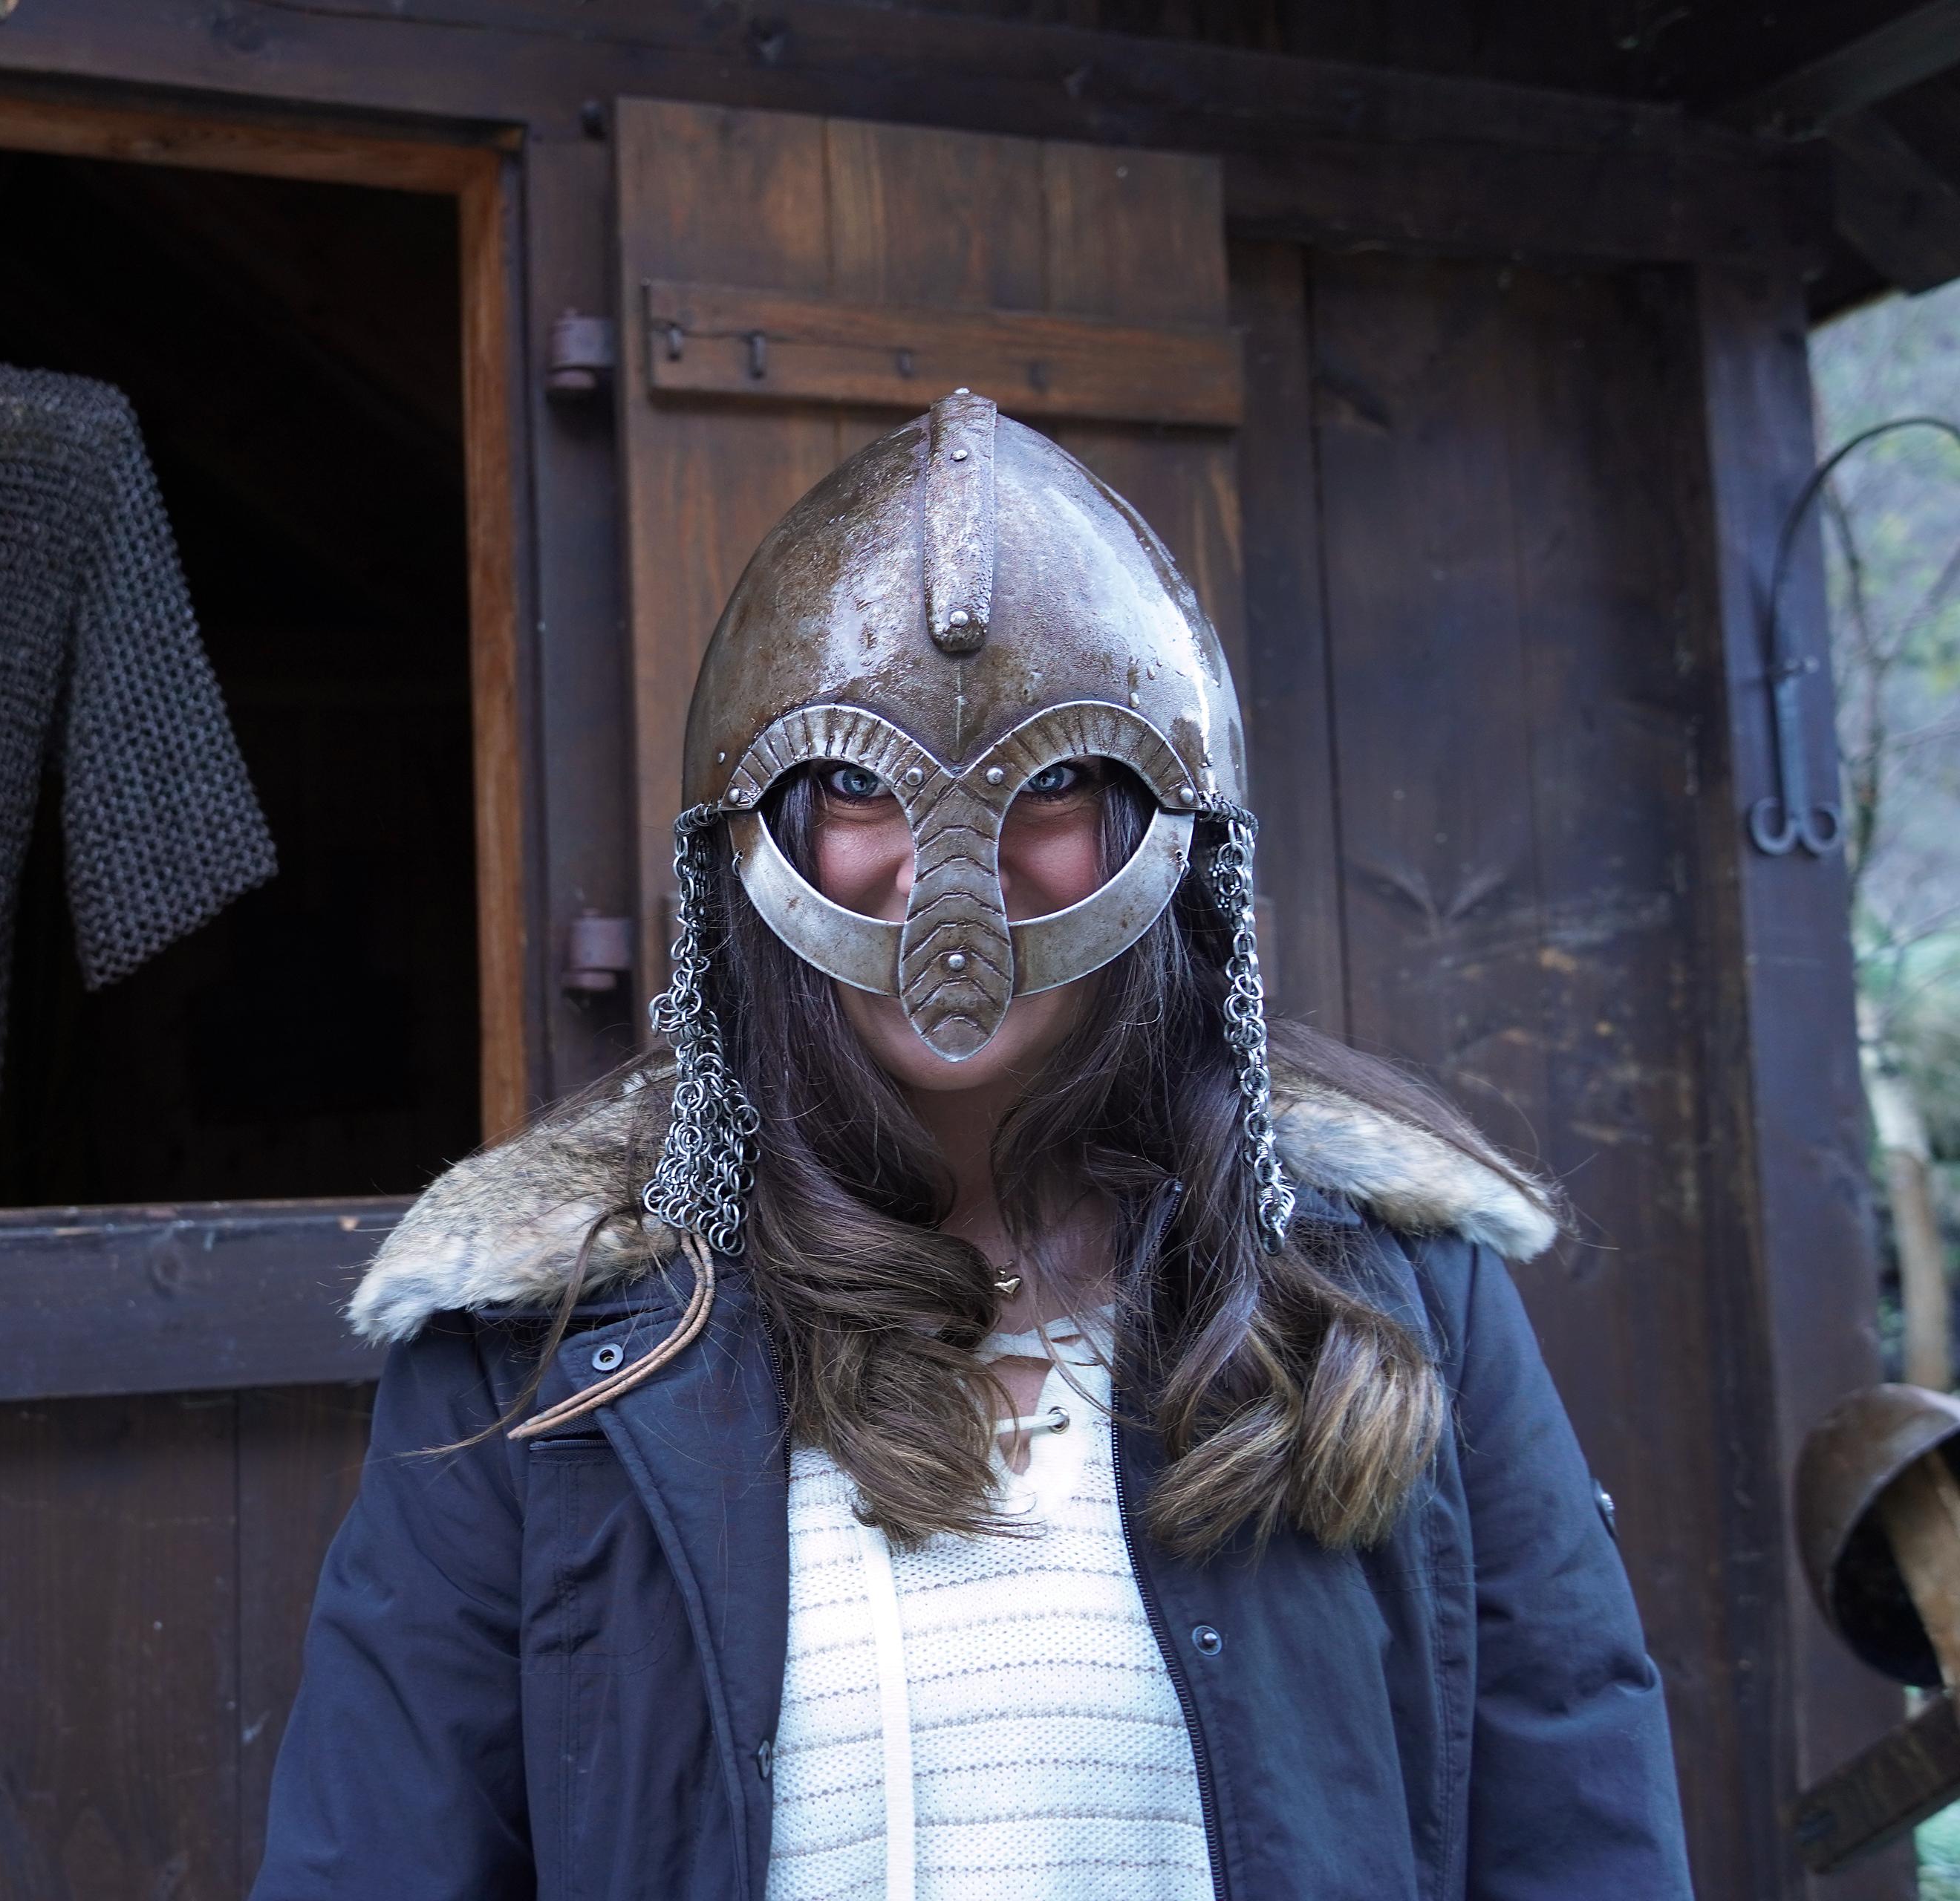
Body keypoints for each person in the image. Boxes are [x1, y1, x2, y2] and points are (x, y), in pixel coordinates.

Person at [248, 392, 1690, 1900]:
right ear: (757, 833)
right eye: (858, 782)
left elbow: (1577, 1833)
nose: (949, 855)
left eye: (1052, 775)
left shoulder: (1397, 1293)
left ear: (1171, 827)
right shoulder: (536, 1348)